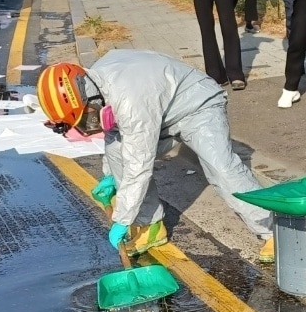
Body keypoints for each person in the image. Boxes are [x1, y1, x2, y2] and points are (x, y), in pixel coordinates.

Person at [37, 52, 276, 263]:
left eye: (84, 118)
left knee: (221, 167)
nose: (86, 126)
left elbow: (138, 165)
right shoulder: (99, 85)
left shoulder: (129, 101)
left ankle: (271, 229)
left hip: (199, 106)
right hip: (161, 112)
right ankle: (150, 226)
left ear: (89, 96)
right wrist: (110, 175)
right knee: (119, 154)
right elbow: (114, 139)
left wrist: (122, 218)